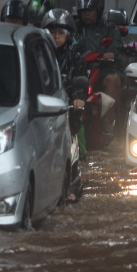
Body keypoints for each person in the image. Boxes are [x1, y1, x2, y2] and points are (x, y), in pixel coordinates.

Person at [42, 8, 88, 160]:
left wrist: (78, 98)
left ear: (68, 35)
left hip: (68, 108)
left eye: (61, 33)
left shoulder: (75, 57)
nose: (56, 36)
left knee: (79, 148)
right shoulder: (37, 55)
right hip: (42, 108)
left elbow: (80, 80)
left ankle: (81, 157)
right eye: (52, 32)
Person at [73, 0, 124, 112]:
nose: (86, 14)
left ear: (98, 10)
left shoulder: (109, 26)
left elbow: (117, 43)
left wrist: (111, 53)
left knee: (113, 79)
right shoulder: (74, 27)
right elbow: (71, 43)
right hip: (78, 67)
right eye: (83, 11)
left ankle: (106, 118)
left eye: (90, 10)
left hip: (104, 67)